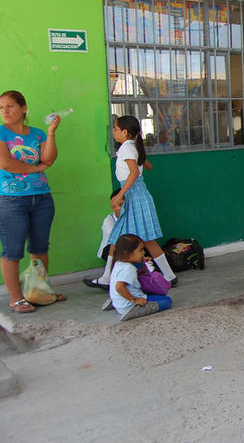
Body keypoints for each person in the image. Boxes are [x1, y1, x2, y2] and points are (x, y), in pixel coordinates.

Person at [83, 116, 177, 289]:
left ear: (124, 132)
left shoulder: (127, 148)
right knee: (123, 237)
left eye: (116, 129)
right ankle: (168, 276)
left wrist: (120, 195)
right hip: (139, 193)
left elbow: (133, 173)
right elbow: (147, 166)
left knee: (137, 238)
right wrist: (140, 160)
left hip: (133, 194)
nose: (113, 131)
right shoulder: (133, 146)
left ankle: (168, 276)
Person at [0, 90, 66, 313]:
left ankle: (39, 291)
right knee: (13, 250)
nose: (5, 111)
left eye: (10, 106)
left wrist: (51, 133)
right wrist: (36, 169)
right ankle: (16, 298)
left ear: (23, 108)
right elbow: (6, 164)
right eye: (1, 108)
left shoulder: (37, 134)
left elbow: (49, 159)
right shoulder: (1, 133)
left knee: (39, 248)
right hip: (11, 200)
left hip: (42, 197)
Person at [108, 233, 172, 322]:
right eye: (140, 250)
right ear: (128, 254)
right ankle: (136, 310)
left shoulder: (119, 263)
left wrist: (142, 260)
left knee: (155, 296)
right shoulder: (128, 268)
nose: (144, 252)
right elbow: (119, 287)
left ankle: (116, 301)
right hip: (129, 305)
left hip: (120, 304)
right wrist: (134, 300)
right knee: (167, 301)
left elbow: (136, 267)